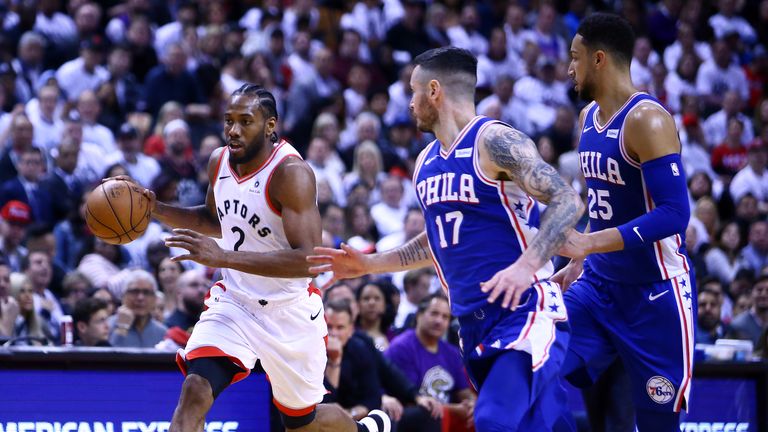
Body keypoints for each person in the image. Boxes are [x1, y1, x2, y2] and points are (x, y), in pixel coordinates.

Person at [309, 46, 583, 431]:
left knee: (493, 420)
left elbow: (567, 200)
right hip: (471, 322)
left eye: (413, 91)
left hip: (524, 308)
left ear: (434, 90)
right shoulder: (425, 163)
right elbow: (435, 240)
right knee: (541, 425)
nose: (410, 103)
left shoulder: (494, 141)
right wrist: (369, 264)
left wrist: (526, 267)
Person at [122, 83, 390, 432]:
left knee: (303, 425)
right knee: (194, 391)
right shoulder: (219, 160)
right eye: (228, 120)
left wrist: (224, 258)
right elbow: (214, 220)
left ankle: (364, 429)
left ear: (269, 125)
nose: (233, 130)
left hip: (288, 311)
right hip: (235, 302)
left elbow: (308, 260)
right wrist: (156, 209)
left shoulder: (291, 174)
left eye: (245, 121)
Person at [554, 13, 695, 431]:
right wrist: (579, 260)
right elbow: (604, 208)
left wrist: (588, 245)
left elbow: (675, 214)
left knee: (657, 425)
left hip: (655, 294)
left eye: (575, 57)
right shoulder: (587, 118)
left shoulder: (647, 119)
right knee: (532, 366)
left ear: (599, 59)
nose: (569, 68)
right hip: (597, 287)